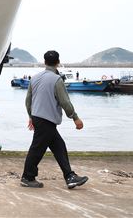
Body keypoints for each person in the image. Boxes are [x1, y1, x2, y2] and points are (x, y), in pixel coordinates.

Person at [21, 51, 89, 189]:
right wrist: (75, 117)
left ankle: (70, 176)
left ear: (44, 62)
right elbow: (65, 101)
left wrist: (31, 116)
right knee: (37, 149)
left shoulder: (34, 78)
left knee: (59, 147)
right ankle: (27, 177)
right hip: (46, 120)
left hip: (39, 118)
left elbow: (28, 101)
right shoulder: (57, 79)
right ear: (58, 62)